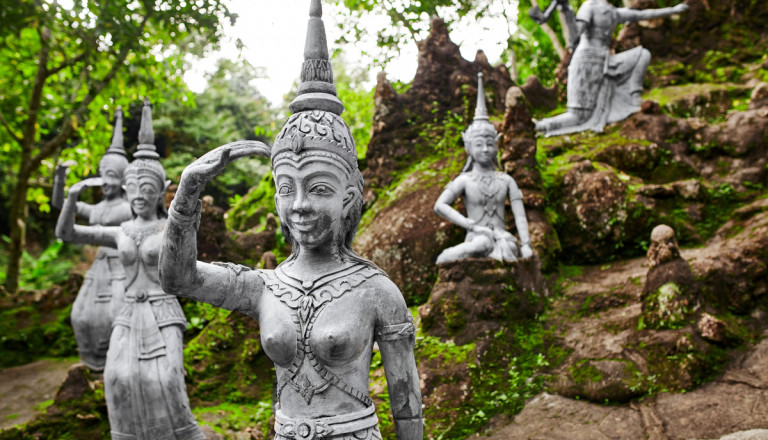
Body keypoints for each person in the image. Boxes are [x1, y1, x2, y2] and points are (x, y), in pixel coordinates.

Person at [159, 1, 423, 439]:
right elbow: (178, 279)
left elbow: (406, 403)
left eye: (318, 188)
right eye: (286, 188)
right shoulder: (264, 287)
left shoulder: (377, 291)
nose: (299, 205)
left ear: (349, 196)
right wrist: (186, 197)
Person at [56, 99, 204, 440]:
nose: (139, 196)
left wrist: (192, 189)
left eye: (148, 189)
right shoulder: (119, 231)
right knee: (116, 378)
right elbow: (66, 234)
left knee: (166, 378)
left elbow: (186, 252)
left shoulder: (170, 229)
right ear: (126, 190)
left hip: (163, 312)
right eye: (133, 189)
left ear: (160, 193)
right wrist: (71, 197)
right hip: (126, 313)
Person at [535, 0, 689, 136]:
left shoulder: (612, 11)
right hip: (585, 63)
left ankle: (634, 100)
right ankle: (540, 125)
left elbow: (642, 14)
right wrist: (566, 10)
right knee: (579, 115)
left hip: (606, 62)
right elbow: (574, 35)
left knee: (642, 54)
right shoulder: (589, 6)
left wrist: (673, 10)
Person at [53, 107, 132, 371]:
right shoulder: (96, 208)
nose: (105, 183)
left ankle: (118, 361)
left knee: (116, 315)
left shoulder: (130, 206)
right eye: (103, 177)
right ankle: (92, 364)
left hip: (123, 266)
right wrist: (61, 179)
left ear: (121, 178)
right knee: (81, 315)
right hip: (98, 268)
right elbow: (59, 205)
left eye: (111, 177)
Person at [434, 73, 533, 264]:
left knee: (511, 246)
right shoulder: (465, 180)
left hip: (502, 237)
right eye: (479, 144)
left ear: (497, 145)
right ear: (469, 147)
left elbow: (520, 215)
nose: (485, 149)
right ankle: (448, 255)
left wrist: (527, 244)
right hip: (477, 236)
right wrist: (470, 225)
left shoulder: (506, 180)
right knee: (482, 243)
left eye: (490, 144)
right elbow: (440, 205)